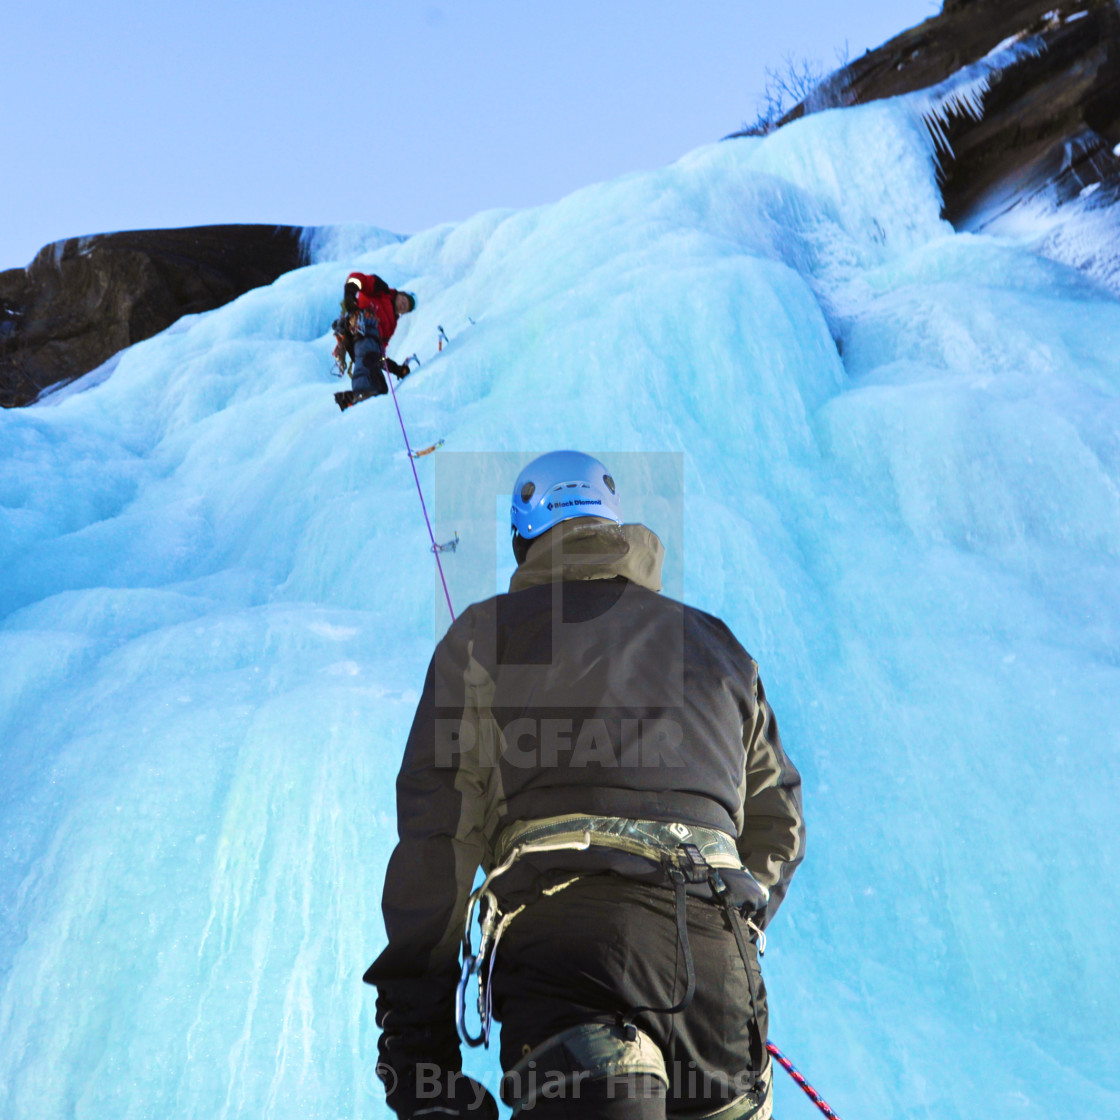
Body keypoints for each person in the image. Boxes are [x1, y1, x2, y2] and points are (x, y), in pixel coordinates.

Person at [365, 450, 805, 1119]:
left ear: (523, 543)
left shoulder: (484, 638)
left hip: (571, 951)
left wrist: (416, 1042)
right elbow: (778, 821)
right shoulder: (716, 646)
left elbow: (438, 839)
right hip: (718, 969)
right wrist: (733, 918)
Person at [332, 272, 416, 408]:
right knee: (369, 353)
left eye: (405, 308)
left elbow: (379, 355)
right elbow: (358, 279)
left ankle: (354, 400)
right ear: (400, 294)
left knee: (381, 386)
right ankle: (360, 393)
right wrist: (350, 293)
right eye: (403, 301)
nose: (402, 306)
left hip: (366, 342)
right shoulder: (382, 290)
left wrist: (396, 369)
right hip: (360, 324)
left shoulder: (391, 326)